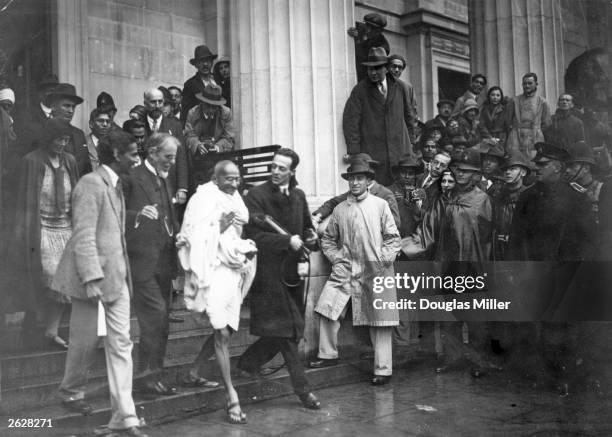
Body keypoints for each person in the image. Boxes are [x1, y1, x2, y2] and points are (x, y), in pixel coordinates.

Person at [52, 131, 146, 436]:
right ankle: (70, 391)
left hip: (116, 279)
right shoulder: (90, 184)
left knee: (121, 345)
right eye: (133, 153)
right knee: (84, 342)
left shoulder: (116, 186)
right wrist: (91, 278)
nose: (137, 158)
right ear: (117, 155)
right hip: (91, 279)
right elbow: (83, 234)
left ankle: (125, 416)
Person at [236, 148, 321, 410]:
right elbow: (252, 236)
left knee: (290, 330)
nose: (275, 171)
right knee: (287, 331)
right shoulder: (256, 196)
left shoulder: (298, 195)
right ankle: (304, 391)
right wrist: (287, 241)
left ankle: (248, 363)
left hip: (293, 274)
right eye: (273, 166)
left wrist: (310, 238)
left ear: (292, 172)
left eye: (281, 168)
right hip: (268, 274)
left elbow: (306, 225)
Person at [177, 160, 257, 424]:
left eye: (237, 179)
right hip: (212, 268)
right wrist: (219, 228)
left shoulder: (236, 198)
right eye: (229, 179)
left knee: (227, 329)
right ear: (215, 177)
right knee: (221, 331)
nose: (234, 184)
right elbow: (189, 236)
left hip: (233, 268)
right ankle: (231, 396)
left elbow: (241, 224)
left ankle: (194, 370)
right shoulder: (202, 198)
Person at [310, 160, 400, 385]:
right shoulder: (340, 209)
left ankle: (383, 369)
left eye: (360, 178)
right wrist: (335, 258)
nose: (355, 182)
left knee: (380, 321)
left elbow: (393, 238)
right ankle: (327, 354)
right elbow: (328, 239)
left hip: (375, 271)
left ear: (369, 181)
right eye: (351, 178)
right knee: (328, 308)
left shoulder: (380, 205)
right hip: (346, 269)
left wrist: (383, 260)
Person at [14, 118, 79, 349]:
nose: (62, 144)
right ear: (48, 138)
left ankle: (51, 331)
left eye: (66, 140)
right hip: (41, 227)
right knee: (49, 275)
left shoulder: (69, 161)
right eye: (59, 139)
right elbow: (24, 199)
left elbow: (76, 192)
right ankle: (34, 328)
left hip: (66, 227)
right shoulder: (31, 161)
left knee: (66, 281)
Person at [124, 133, 180, 397]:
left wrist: (178, 235)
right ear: (154, 152)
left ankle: (154, 374)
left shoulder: (162, 177)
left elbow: (169, 216)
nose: (172, 162)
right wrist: (137, 216)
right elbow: (116, 211)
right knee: (155, 317)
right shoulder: (133, 177)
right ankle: (144, 377)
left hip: (165, 263)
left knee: (162, 322)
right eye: (168, 156)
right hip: (141, 263)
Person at [343, 46, 415, 185]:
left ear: (386, 68)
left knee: (400, 191)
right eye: (370, 69)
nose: (373, 72)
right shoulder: (360, 90)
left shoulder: (401, 87)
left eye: (377, 68)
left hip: (400, 150)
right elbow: (351, 121)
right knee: (377, 192)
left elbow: (409, 116)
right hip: (374, 152)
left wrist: (411, 143)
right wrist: (355, 151)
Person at [311, 153, 400, 229]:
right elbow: (332, 203)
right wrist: (317, 217)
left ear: (370, 176)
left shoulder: (385, 194)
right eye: (353, 177)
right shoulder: (352, 194)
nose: (355, 182)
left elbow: (395, 223)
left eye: (361, 176)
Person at [143, 87, 189, 205]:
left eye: (160, 102)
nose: (157, 105)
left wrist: (182, 188)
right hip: (145, 185)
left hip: (170, 185)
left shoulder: (174, 126)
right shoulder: (137, 125)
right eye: (153, 102)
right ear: (145, 103)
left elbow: (181, 158)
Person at [184, 84, 235, 183]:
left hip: (220, 158)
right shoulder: (192, 113)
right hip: (198, 160)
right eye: (208, 105)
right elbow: (188, 135)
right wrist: (197, 145)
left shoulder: (226, 113)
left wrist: (217, 147)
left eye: (215, 107)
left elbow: (229, 137)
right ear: (202, 102)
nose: (211, 110)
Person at [492, 150, 531, 261]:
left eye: (512, 169)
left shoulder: (530, 196)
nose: (507, 173)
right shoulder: (498, 196)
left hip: (521, 250)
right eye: (505, 169)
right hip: (498, 250)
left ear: (523, 172)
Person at [46, 83, 89, 177]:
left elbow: (87, 169)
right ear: (53, 106)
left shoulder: (79, 134)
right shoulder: (42, 131)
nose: (71, 111)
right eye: (66, 106)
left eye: (73, 107)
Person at [507, 73, 553, 157]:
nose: (527, 86)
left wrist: (536, 129)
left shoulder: (542, 102)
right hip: (516, 136)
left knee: (534, 161)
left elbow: (547, 123)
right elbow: (507, 121)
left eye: (530, 83)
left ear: (536, 84)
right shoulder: (514, 101)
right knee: (516, 161)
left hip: (535, 136)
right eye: (524, 83)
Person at [564, 141, 603, 225]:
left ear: (586, 168)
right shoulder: (567, 191)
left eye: (572, 166)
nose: (567, 170)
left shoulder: (602, 190)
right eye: (566, 166)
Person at [18, 73, 58, 154]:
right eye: (50, 91)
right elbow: (23, 148)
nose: (54, 95)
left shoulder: (60, 115)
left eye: (55, 91)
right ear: (40, 93)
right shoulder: (28, 116)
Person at [386, 154, 425, 237]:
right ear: (398, 173)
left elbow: (424, 217)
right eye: (403, 173)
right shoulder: (388, 191)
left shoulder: (419, 192)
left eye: (410, 174)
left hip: (412, 238)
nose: (407, 177)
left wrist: (413, 204)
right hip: (392, 236)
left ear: (415, 176)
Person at [181, 45, 218, 126]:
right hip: (199, 127)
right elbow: (185, 111)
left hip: (218, 126)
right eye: (201, 61)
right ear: (196, 65)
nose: (205, 64)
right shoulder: (190, 84)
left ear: (212, 62)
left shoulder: (218, 80)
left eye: (208, 60)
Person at [348, 13, 390, 82]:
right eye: (367, 26)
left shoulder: (383, 47)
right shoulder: (363, 29)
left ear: (380, 31)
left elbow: (363, 56)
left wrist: (356, 40)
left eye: (373, 28)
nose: (368, 30)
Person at [387, 54, 418, 140]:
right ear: (387, 67)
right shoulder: (381, 85)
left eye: (400, 67)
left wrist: (411, 137)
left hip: (401, 134)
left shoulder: (407, 87)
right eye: (394, 66)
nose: (397, 70)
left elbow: (413, 114)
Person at [83, 107, 113, 175]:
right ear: (91, 124)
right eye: (101, 121)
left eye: (108, 121)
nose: (105, 124)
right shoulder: (82, 142)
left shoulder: (114, 145)